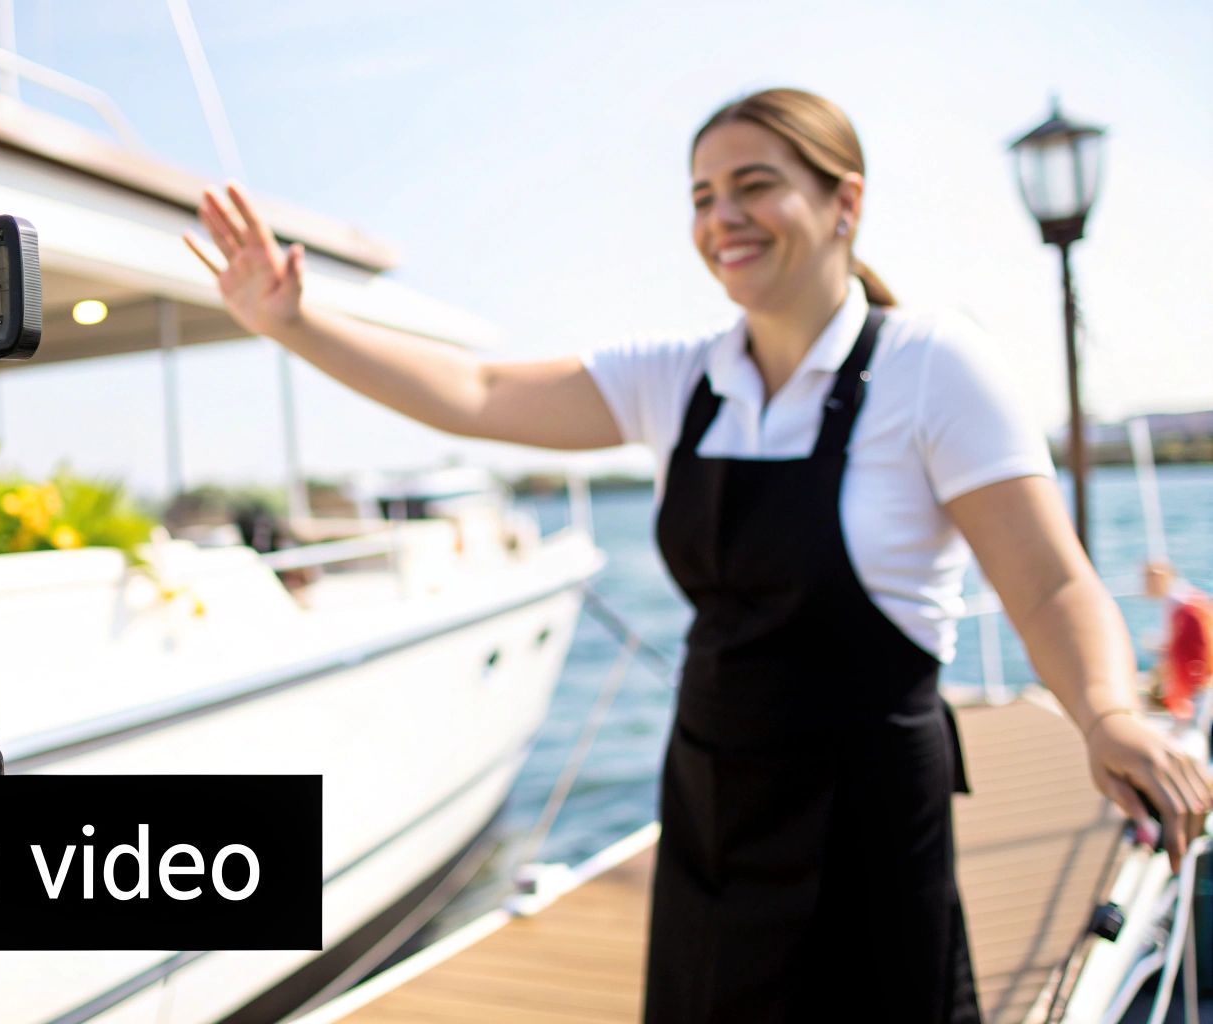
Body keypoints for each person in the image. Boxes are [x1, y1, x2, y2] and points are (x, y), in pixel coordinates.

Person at [184, 87, 1213, 1022]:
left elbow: (1042, 577)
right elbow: (478, 393)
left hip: (863, 817)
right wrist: (294, 321)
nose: (720, 217)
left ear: (842, 200)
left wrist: (1104, 712)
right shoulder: (678, 379)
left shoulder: (929, 365)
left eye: (752, 186)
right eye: (700, 195)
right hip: (710, 806)